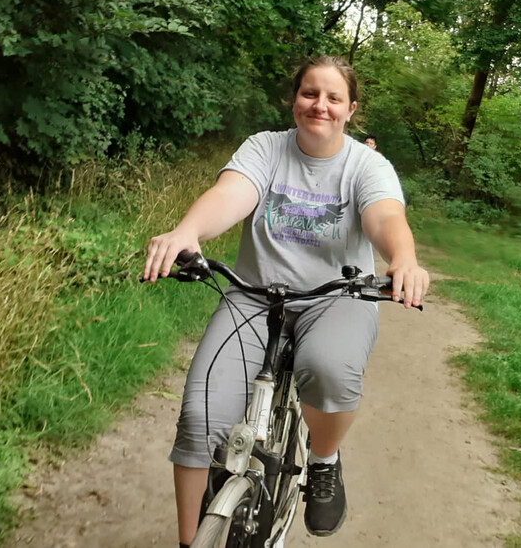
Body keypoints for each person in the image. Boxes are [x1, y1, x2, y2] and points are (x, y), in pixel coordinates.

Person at [142, 55, 430, 547]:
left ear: (350, 108)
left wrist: (403, 258)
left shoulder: (366, 164)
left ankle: (323, 460)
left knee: (329, 369)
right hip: (255, 296)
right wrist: (187, 231)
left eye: (333, 97)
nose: (320, 105)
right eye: (309, 94)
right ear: (293, 100)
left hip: (337, 296)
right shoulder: (265, 149)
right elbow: (231, 194)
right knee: (198, 419)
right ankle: (191, 541)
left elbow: (384, 217)